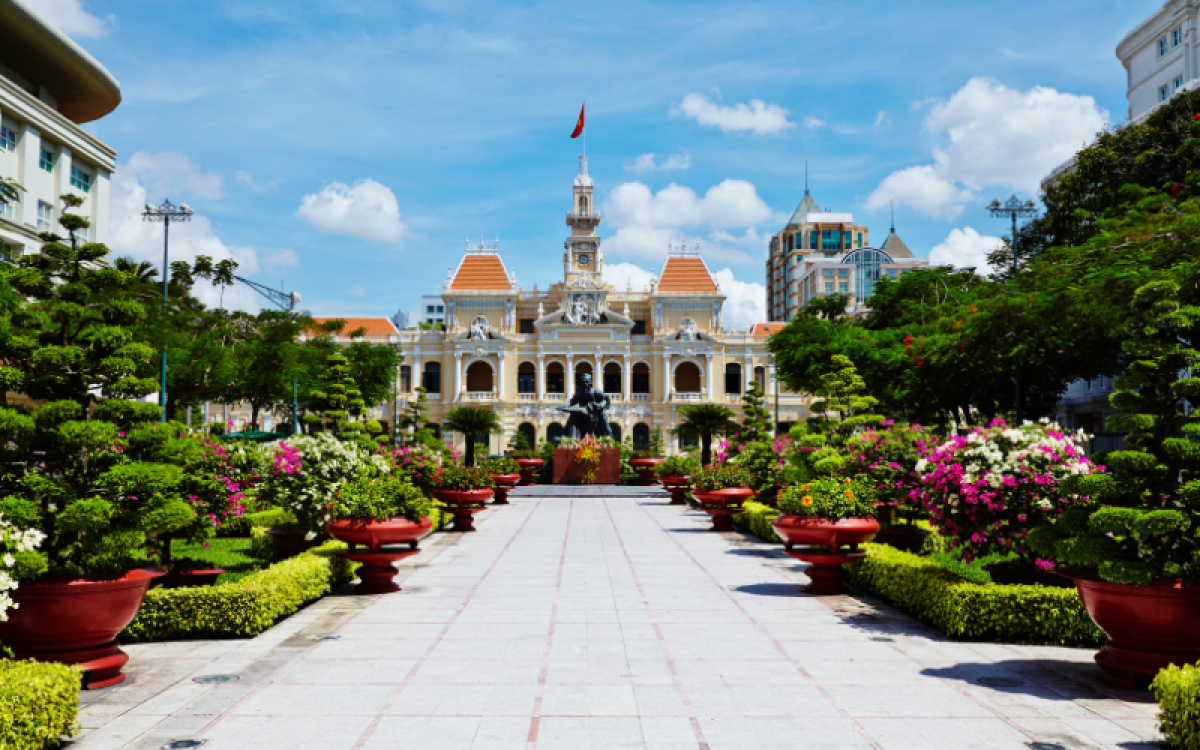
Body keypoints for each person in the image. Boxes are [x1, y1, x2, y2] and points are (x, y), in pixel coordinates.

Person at [557, 372, 612, 439]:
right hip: (583, 413)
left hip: (596, 414)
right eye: (583, 382)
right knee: (573, 417)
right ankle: (571, 438)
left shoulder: (596, 392)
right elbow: (571, 402)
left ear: (590, 382)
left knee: (605, 424)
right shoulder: (580, 393)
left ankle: (608, 437)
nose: (585, 384)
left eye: (587, 382)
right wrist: (562, 406)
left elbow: (607, 400)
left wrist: (600, 405)